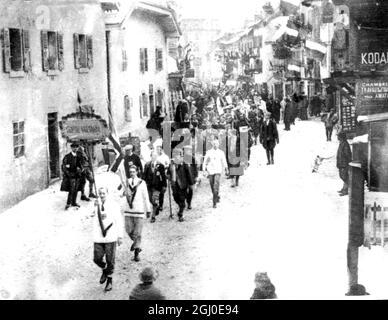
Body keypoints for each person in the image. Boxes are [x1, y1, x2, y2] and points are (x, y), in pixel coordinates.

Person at [92, 187, 123, 292]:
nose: (101, 195)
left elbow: (118, 220)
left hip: (110, 236)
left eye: (103, 193)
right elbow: (92, 216)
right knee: (97, 258)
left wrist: (120, 236)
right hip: (99, 236)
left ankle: (109, 280)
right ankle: (105, 269)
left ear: (107, 193)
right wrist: (94, 207)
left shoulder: (113, 205)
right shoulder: (96, 204)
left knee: (110, 260)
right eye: (100, 193)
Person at [123, 165, 151, 262]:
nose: (132, 173)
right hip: (128, 211)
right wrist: (123, 192)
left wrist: (148, 209)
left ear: (137, 172)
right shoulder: (126, 182)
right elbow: (121, 193)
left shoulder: (142, 183)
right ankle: (136, 244)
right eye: (130, 172)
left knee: (138, 232)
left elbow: (146, 197)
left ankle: (136, 252)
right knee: (128, 230)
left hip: (139, 210)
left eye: (133, 171)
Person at [168, 149, 194, 222]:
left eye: (178, 155)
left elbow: (189, 174)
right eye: (175, 155)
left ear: (181, 156)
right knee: (176, 197)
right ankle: (181, 206)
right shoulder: (171, 164)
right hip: (174, 185)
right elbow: (168, 173)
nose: (176, 157)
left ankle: (180, 214)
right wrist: (168, 176)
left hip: (183, 185)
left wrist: (191, 184)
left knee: (182, 199)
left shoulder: (184, 164)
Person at [203, 139, 229, 208]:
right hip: (210, 171)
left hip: (218, 171)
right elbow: (205, 161)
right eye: (214, 144)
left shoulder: (221, 152)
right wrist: (204, 170)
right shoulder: (209, 152)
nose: (215, 145)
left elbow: (224, 161)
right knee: (212, 185)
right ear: (212, 144)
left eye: (216, 144)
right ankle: (216, 196)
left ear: (218, 144)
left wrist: (226, 169)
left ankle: (214, 202)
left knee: (216, 186)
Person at [143, 151, 167, 223]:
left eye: (155, 156)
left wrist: (164, 185)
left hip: (157, 186)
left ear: (157, 157)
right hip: (149, 186)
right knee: (150, 200)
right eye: (153, 156)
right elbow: (144, 175)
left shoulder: (160, 165)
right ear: (151, 156)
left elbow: (163, 176)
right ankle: (156, 207)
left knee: (154, 199)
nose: (154, 157)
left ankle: (153, 217)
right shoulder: (147, 165)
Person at [60, 142, 82, 210]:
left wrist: (80, 169)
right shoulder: (67, 157)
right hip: (70, 176)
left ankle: (74, 202)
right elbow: (64, 167)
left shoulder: (78, 156)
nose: (75, 148)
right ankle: (68, 203)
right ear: (71, 148)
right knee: (71, 189)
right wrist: (68, 174)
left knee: (76, 189)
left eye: (76, 147)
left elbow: (80, 165)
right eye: (73, 147)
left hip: (77, 175)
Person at [336, 131, 352, 196]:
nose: (337, 137)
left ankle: (346, 190)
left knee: (344, 177)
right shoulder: (342, 143)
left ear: (341, 137)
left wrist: (348, 163)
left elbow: (347, 154)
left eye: (338, 136)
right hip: (341, 163)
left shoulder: (345, 144)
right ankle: (344, 189)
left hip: (344, 164)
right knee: (343, 176)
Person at [183, 145, 198, 209]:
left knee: (191, 190)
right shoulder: (182, 158)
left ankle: (189, 203)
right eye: (186, 150)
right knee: (184, 190)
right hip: (184, 177)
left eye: (189, 150)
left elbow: (195, 168)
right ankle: (186, 200)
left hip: (191, 177)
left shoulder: (193, 158)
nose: (188, 151)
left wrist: (196, 176)